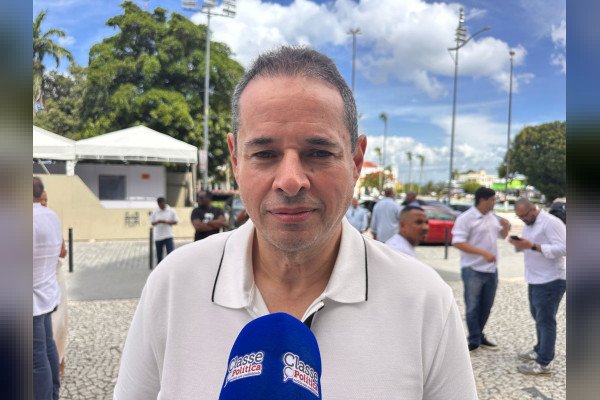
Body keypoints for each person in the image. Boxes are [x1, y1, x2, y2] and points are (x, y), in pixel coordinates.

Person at [114, 46, 477, 399]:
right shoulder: (174, 284)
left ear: (355, 161)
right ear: (236, 160)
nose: (290, 181)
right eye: (265, 153)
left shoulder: (424, 300)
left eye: (318, 152)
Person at [509, 198, 566, 375]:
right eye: (519, 217)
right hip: (535, 278)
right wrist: (520, 245)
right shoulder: (529, 225)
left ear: (533, 209)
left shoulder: (551, 223)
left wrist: (533, 246)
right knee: (538, 317)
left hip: (551, 279)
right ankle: (539, 349)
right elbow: (530, 246)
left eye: (524, 215)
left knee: (546, 320)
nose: (523, 219)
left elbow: (564, 248)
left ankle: (544, 362)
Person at [452, 187, 510, 351]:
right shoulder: (465, 218)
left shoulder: (492, 217)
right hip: (473, 269)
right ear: (482, 200)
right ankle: (474, 339)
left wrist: (506, 227)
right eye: (492, 199)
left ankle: (478, 335)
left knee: (486, 306)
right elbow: (457, 242)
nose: (494, 202)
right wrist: (483, 253)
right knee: (472, 306)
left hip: (491, 269)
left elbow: (502, 236)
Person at [33, 177, 64, 399]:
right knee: (48, 347)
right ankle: (53, 392)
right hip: (47, 291)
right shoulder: (51, 215)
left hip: (31, 300)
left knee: (36, 359)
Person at [40, 190, 69, 376]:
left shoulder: (52, 221)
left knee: (59, 321)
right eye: (40, 199)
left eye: (46, 200)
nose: (44, 203)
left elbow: (63, 251)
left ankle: (59, 360)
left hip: (55, 276)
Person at [150, 197, 179, 263]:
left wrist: (166, 222)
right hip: (158, 236)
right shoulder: (155, 211)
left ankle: (170, 267)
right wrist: (158, 222)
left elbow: (176, 221)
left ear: (164, 203)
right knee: (159, 256)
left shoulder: (171, 210)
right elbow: (152, 222)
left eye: (162, 204)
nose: (161, 206)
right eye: (160, 205)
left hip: (168, 235)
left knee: (170, 254)